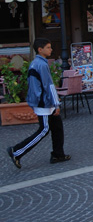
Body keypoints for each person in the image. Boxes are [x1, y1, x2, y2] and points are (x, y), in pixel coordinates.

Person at [6, 38, 71, 170]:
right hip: (44, 102)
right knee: (44, 130)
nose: (51, 49)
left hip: (42, 100)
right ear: (40, 50)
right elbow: (49, 86)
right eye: (48, 47)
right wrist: (56, 104)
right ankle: (16, 151)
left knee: (57, 126)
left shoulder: (36, 63)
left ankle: (58, 154)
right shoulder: (41, 65)